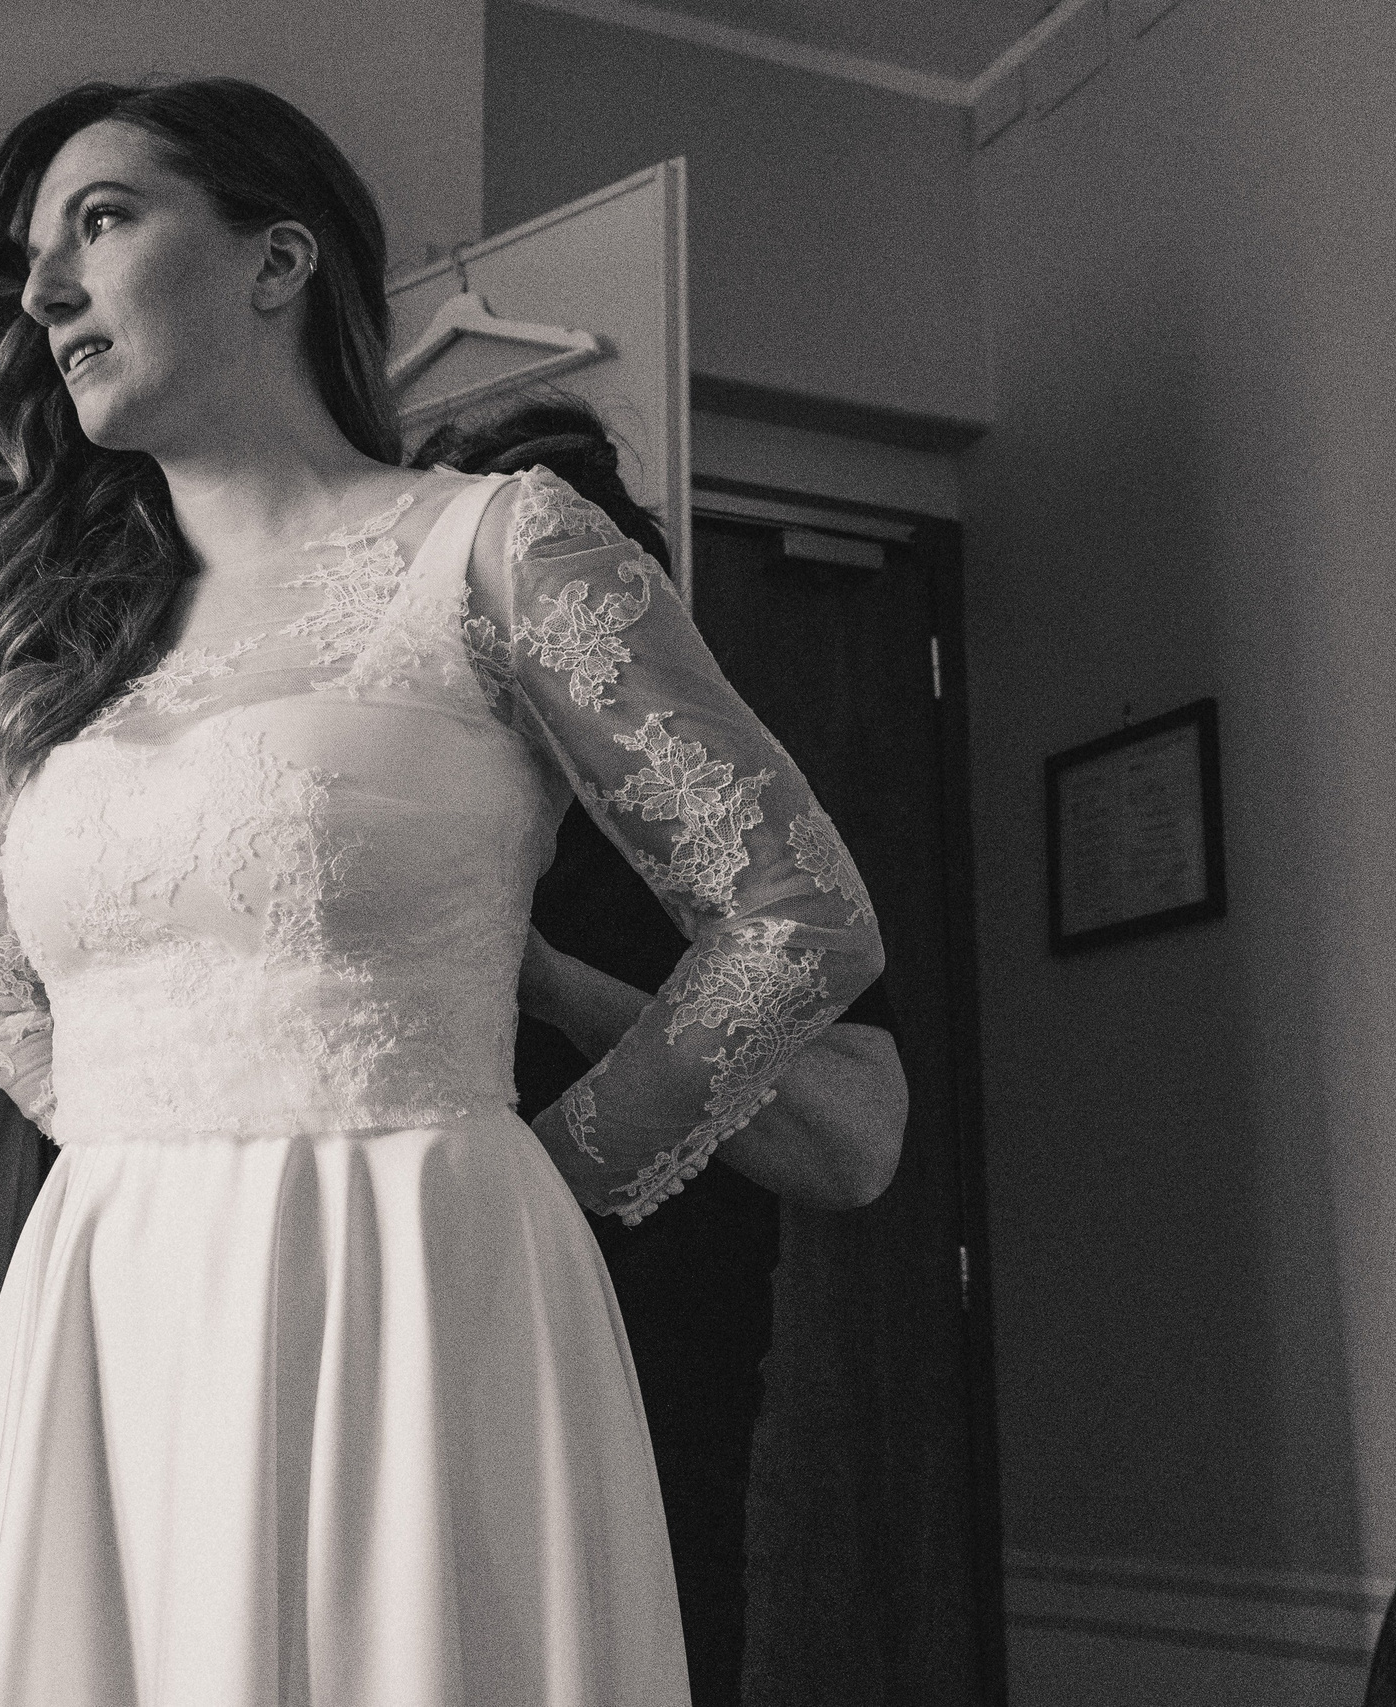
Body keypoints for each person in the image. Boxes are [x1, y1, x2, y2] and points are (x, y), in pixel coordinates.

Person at [0, 77, 885, 1707]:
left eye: (101, 221)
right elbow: (9, 1002)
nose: (47, 289)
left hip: (419, 1301)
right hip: (112, 1320)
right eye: (27, 260)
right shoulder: (59, 637)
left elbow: (797, 915)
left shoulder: (499, 547)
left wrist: (555, 1171)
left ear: (278, 258)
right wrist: (169, 1195)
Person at [414, 399, 909, 1705]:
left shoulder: (730, 848)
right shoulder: (378, 827)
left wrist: (565, 988)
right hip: (411, 1411)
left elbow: (860, 1144)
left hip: (649, 1426)